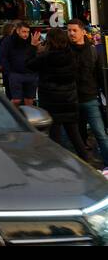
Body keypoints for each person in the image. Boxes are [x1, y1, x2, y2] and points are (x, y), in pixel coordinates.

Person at [28, 27, 92, 162]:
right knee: (75, 136)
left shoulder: (45, 57)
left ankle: (58, 165)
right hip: (69, 100)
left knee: (55, 138)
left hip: (51, 102)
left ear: (49, 41)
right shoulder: (72, 55)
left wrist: (33, 47)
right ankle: (88, 163)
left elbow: (29, 65)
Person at [68, 19, 108, 170]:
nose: (71, 33)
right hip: (72, 99)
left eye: (74, 30)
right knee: (77, 137)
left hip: (90, 97)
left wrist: (104, 94)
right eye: (69, 30)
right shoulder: (65, 50)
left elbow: (99, 75)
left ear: (83, 32)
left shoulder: (92, 51)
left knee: (100, 133)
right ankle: (81, 168)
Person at [0, 22, 39, 107]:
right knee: (16, 100)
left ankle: (28, 118)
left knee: (29, 100)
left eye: (27, 32)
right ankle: (12, 115)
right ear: (17, 31)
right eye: (24, 32)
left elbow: (32, 57)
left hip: (30, 74)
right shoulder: (8, 40)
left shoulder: (31, 40)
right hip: (15, 74)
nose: (26, 34)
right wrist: (8, 72)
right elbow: (3, 57)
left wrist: (34, 46)